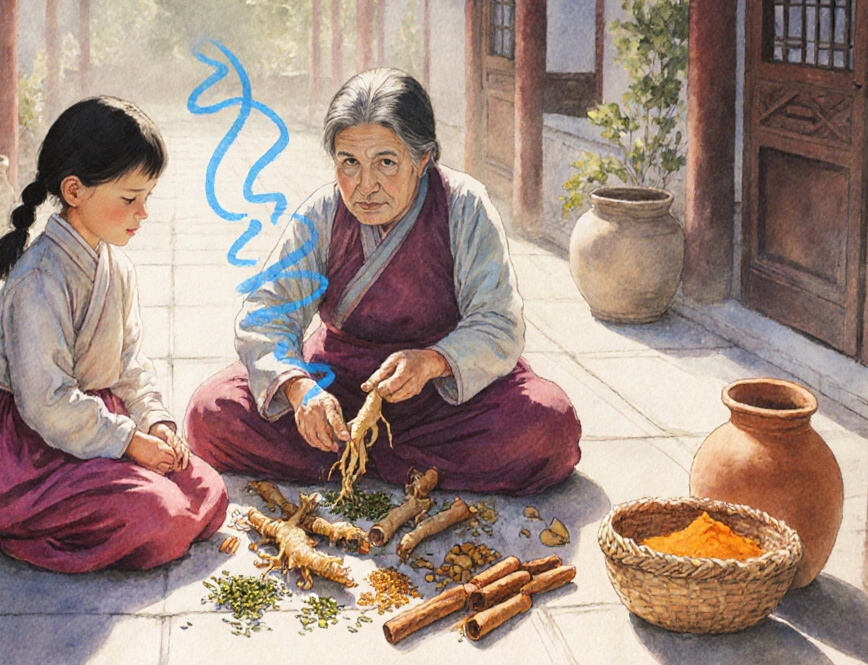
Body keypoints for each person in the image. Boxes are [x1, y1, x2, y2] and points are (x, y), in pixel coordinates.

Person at [186, 69, 581, 495]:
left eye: (386, 163)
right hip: (337, 388)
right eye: (349, 163)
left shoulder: (463, 205)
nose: (365, 186)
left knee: (550, 425)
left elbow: (499, 322)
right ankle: (394, 461)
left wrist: (433, 361)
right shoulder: (322, 213)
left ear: (423, 159)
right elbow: (265, 313)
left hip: (442, 398)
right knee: (210, 412)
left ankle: (357, 459)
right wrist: (301, 390)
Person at [0, 96, 228, 574]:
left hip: (100, 424)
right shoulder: (40, 278)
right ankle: (18, 532)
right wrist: (129, 443)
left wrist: (155, 423)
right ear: (75, 191)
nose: (142, 213)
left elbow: (129, 368)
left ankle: (119, 494)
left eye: (147, 198)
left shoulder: (116, 267)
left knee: (208, 492)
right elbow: (46, 402)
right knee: (160, 517)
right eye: (129, 199)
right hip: (28, 448)